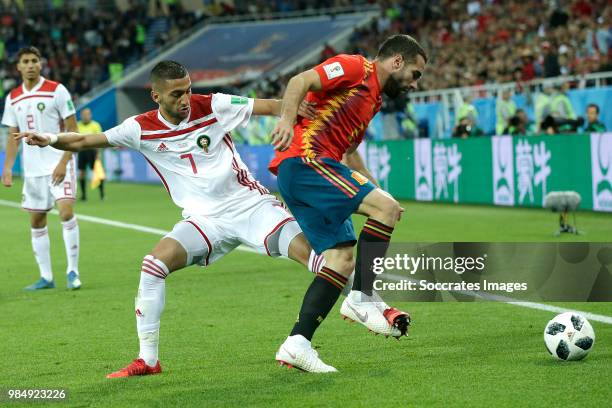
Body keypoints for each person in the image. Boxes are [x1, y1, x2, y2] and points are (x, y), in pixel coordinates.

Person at [16, 60, 325, 379]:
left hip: (250, 207)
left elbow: (272, 106)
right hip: (204, 221)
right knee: (153, 265)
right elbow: (82, 141)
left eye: (189, 90)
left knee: (317, 259)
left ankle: (370, 304)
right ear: (156, 96)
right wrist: (50, 139)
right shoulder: (140, 128)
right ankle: (148, 360)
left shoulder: (213, 105)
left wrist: (297, 112)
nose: (186, 98)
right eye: (177, 93)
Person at [268, 34, 427, 372]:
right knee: (380, 211)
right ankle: (363, 297)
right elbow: (300, 80)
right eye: (416, 74)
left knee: (340, 261)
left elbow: (350, 152)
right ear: (397, 62)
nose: (415, 84)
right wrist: (285, 117)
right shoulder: (357, 68)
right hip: (307, 162)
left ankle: (297, 343)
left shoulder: (374, 100)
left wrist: (380, 191)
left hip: (318, 168)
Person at [1, 46, 82, 291]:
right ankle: (46, 277)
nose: (30, 65)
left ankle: (73, 272)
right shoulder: (13, 97)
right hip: (33, 170)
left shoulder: (57, 90)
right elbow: (12, 136)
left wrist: (63, 161)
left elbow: (73, 129)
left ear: (41, 63)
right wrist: (7, 167)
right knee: (37, 221)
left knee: (66, 212)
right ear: (18, 66)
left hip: (59, 163)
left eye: (34, 60)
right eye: (25, 61)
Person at [76, 108, 104, 200]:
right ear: (81, 115)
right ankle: (84, 195)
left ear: (90, 115)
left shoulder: (95, 125)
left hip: (92, 151)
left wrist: (98, 154)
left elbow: (100, 140)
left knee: (97, 172)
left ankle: (102, 194)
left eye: (87, 114)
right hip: (82, 151)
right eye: (84, 114)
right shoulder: (77, 125)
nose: (86, 116)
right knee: (81, 173)